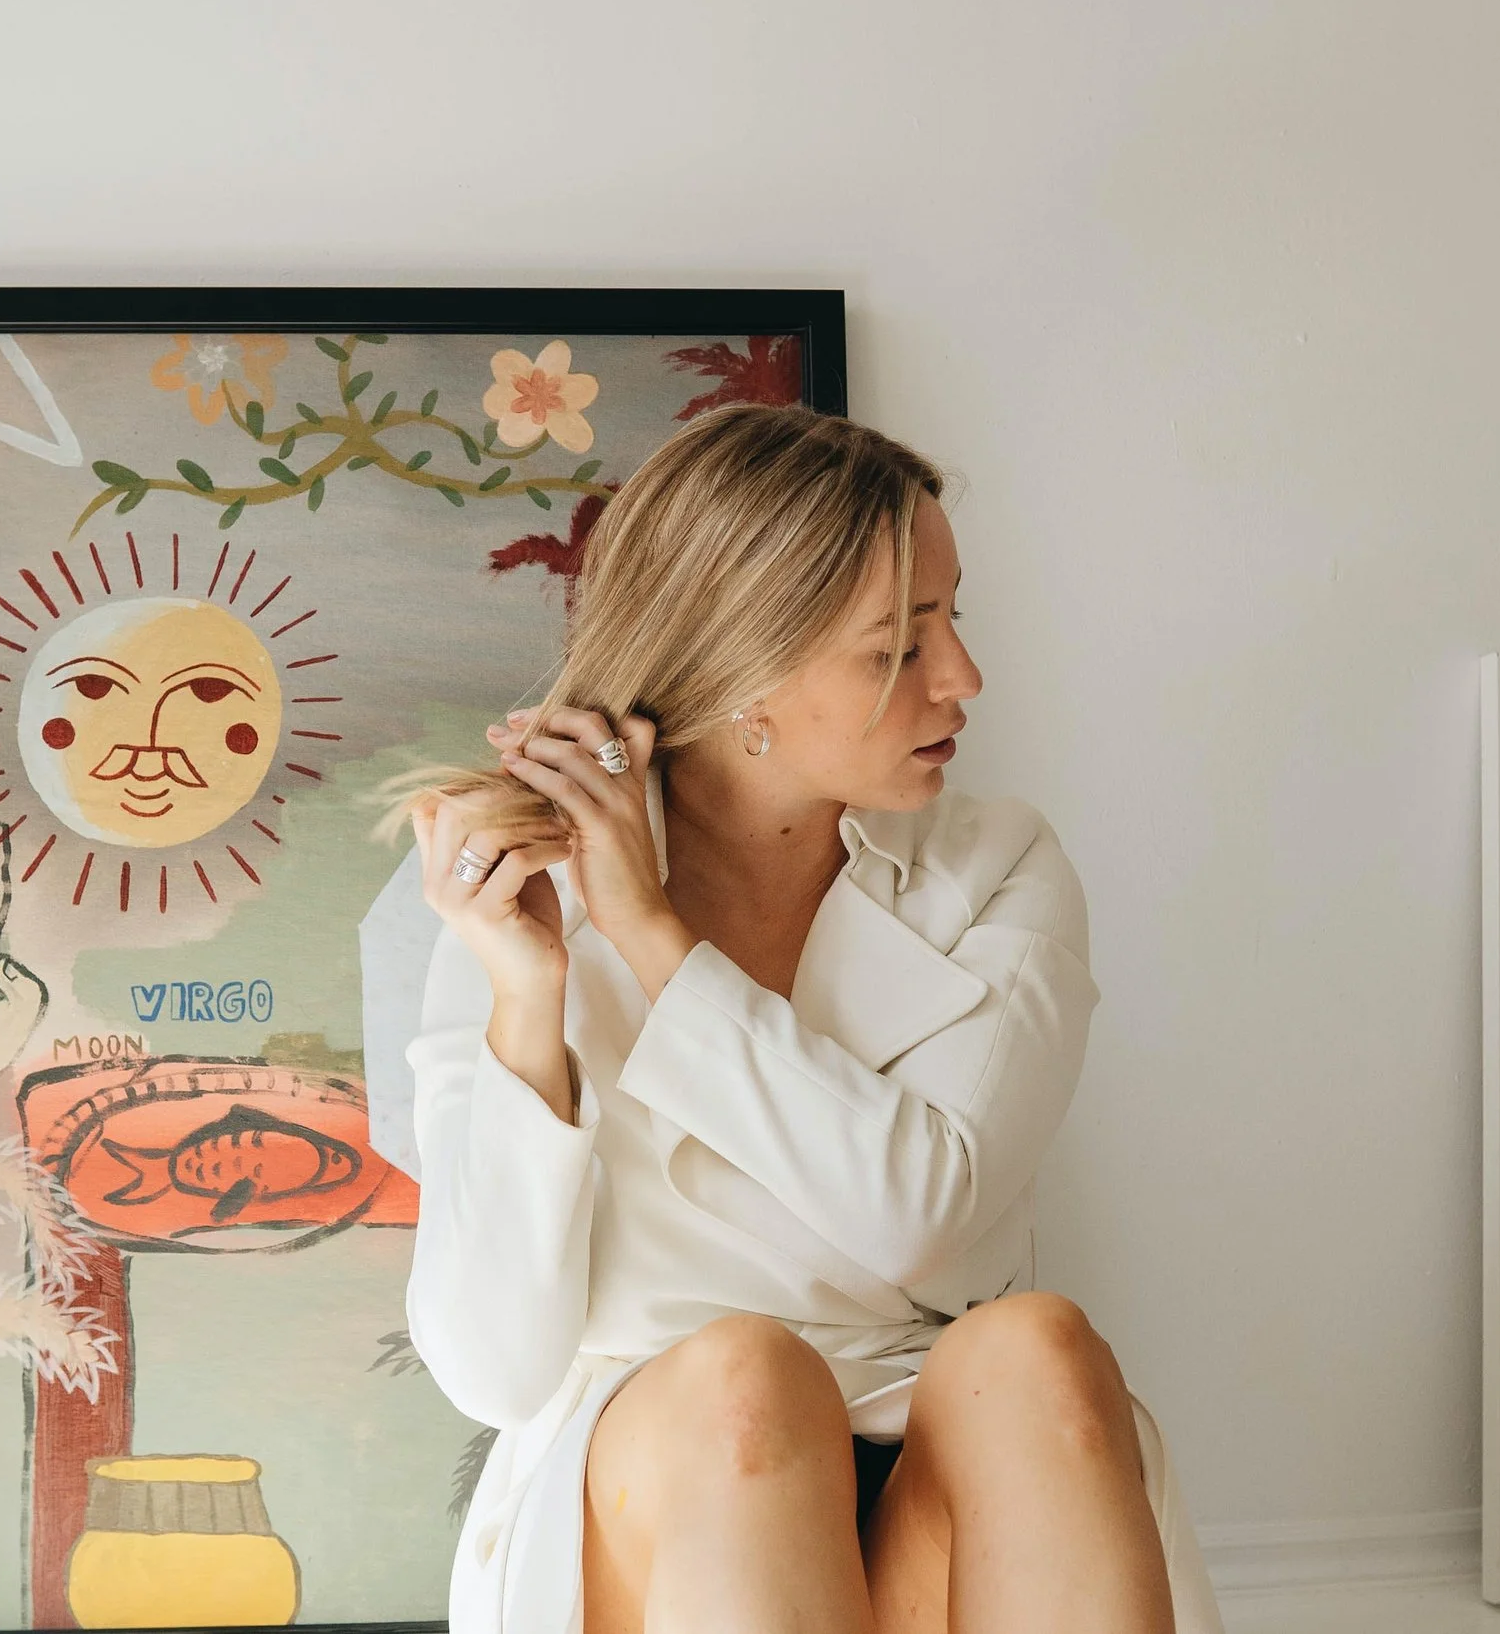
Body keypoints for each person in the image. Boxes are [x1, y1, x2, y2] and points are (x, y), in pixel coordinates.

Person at [376, 404, 1221, 1633]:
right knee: (748, 1377)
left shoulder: (999, 863)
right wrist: (527, 994)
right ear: (746, 676)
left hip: (935, 1443)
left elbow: (918, 1211)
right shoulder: (522, 891)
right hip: (659, 1469)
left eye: (953, 618)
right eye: (900, 644)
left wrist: (652, 933)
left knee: (1036, 1348)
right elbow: (493, 1367)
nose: (962, 677)